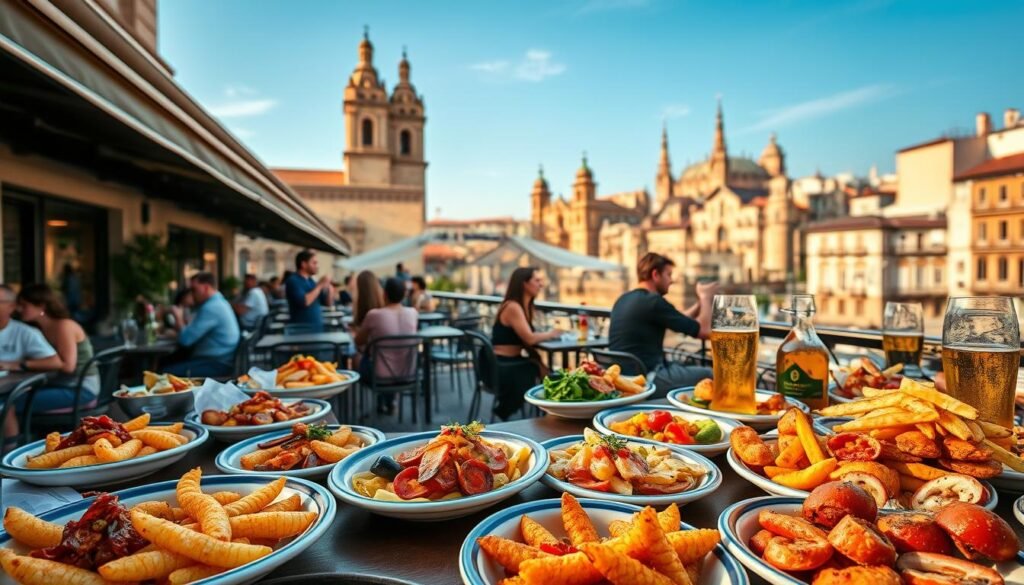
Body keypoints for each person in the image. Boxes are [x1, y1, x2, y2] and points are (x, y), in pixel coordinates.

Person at [608, 252, 716, 397]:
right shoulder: (654, 302)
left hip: (623, 379)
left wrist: (700, 304)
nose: (671, 281)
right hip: (649, 380)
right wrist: (706, 298)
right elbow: (705, 331)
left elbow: (680, 319)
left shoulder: (624, 298)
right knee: (709, 374)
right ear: (655, 274)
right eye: (668, 274)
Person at [491, 267, 563, 420]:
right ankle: (549, 413)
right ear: (524, 283)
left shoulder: (524, 307)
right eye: (537, 280)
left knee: (543, 370)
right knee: (541, 371)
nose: (541, 284)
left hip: (508, 361)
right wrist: (552, 333)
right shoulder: (513, 307)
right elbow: (529, 338)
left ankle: (551, 412)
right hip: (502, 366)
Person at [15, 283, 100, 412]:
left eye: (24, 305)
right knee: (12, 396)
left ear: (41, 306)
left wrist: (22, 365)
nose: (19, 309)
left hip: (81, 390)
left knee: (13, 402)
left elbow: (67, 366)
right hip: (59, 385)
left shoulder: (64, 326)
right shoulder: (37, 330)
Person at [0, 284, 61, 446]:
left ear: (12, 306)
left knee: (6, 404)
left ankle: (8, 453)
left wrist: (14, 365)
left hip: (13, 389)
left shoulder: (25, 332)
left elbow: (55, 362)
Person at [355, 278, 418, 414]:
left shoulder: (373, 314)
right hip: (408, 375)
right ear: (404, 295)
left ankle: (363, 408)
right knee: (388, 359)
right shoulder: (413, 313)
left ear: (384, 294)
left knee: (359, 357)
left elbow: (358, 341)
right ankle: (389, 400)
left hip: (379, 377)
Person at [166, 273, 240, 377]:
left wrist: (178, 317)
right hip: (220, 360)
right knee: (169, 362)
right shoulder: (218, 303)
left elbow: (185, 340)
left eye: (194, 289)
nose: (192, 293)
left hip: (216, 364)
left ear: (206, 287)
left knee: (163, 374)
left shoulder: (212, 307)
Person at [285, 251, 333, 333]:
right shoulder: (293, 280)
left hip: (316, 329)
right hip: (301, 331)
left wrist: (329, 287)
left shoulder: (311, 281)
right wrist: (320, 285)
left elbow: (328, 303)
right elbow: (304, 302)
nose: (317, 266)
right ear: (303, 264)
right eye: (314, 263)